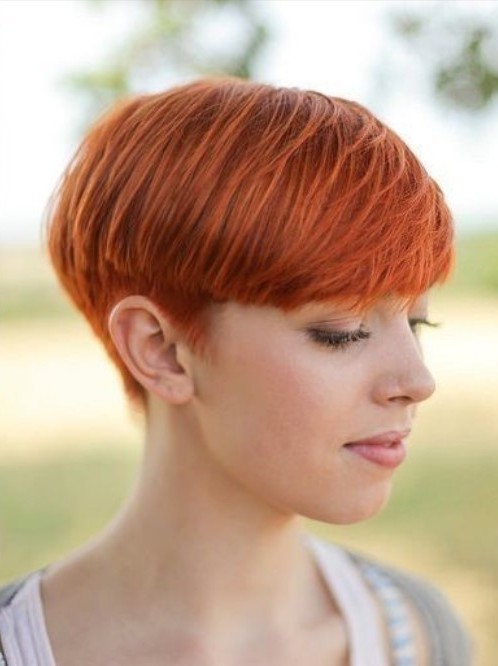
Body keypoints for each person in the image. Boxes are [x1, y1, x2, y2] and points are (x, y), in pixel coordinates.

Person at [0, 78, 472, 665]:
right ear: (160, 350)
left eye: (418, 324)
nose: (418, 382)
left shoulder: (421, 636)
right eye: (342, 330)